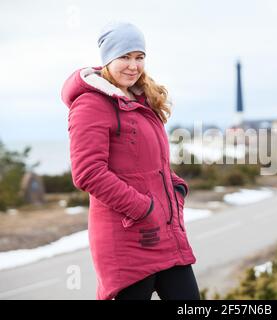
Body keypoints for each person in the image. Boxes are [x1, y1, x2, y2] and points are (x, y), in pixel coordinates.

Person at [61, 21, 199, 300]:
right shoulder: (91, 105)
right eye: (124, 57)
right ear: (107, 59)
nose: (133, 66)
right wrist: (144, 209)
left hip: (166, 232)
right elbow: (88, 173)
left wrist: (177, 189)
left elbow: (157, 165)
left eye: (139, 57)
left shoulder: (142, 101)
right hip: (127, 239)